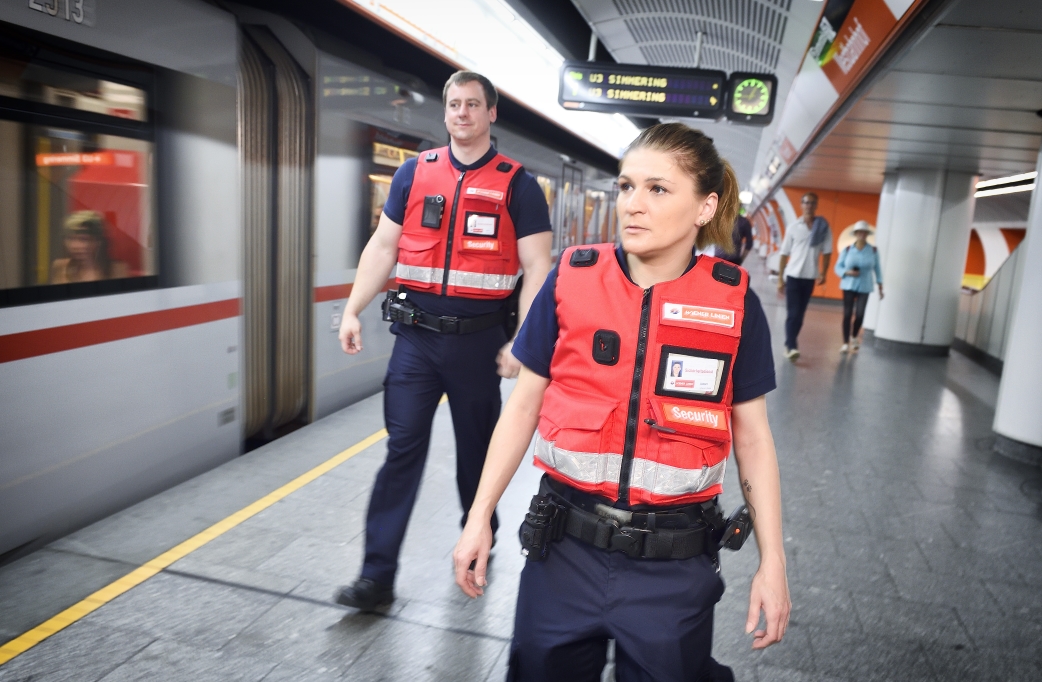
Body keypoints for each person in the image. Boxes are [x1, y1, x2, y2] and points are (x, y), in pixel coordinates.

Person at [453, 123, 789, 681]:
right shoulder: (570, 280)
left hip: (674, 566)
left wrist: (772, 561)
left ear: (705, 207)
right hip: (563, 553)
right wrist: (479, 516)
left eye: (658, 189)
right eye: (626, 187)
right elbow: (523, 406)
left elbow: (752, 437)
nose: (633, 204)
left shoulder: (733, 303)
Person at [334, 71, 553, 611]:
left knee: (476, 456)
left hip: (479, 345)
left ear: (491, 113)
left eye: (472, 104)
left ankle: (479, 536)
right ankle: (375, 577)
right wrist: (352, 309)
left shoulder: (519, 186)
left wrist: (521, 346)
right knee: (401, 451)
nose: (461, 113)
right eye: (453, 104)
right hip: (415, 340)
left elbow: (537, 271)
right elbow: (383, 247)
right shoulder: (413, 174)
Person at [776, 192, 832, 361]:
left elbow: (828, 252)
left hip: (809, 277)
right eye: (806, 202)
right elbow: (784, 254)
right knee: (793, 313)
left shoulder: (823, 228)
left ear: (816, 206)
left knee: (800, 315)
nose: (809, 205)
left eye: (812, 203)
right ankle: (791, 346)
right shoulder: (793, 227)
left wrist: (824, 272)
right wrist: (780, 278)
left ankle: (790, 343)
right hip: (793, 275)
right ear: (802, 205)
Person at [834, 220, 883, 353]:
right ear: (855, 234)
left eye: (864, 232)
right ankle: (845, 342)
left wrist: (880, 285)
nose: (862, 234)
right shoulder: (848, 249)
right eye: (859, 232)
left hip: (865, 284)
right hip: (849, 284)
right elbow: (837, 267)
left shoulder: (873, 250)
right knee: (847, 313)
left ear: (867, 234)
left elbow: (878, 269)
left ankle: (854, 335)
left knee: (860, 314)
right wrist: (846, 272)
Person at [50, 210, 127, 284]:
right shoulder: (60, 267)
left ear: (98, 241)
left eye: (83, 239)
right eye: (70, 238)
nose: (75, 246)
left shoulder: (116, 269)